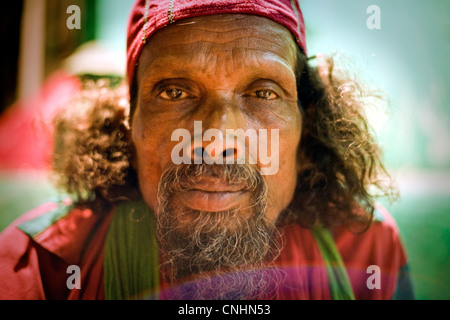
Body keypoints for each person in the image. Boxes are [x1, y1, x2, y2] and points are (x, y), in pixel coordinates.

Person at [0, 0, 414, 300]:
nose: (217, 139)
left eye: (263, 93)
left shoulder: (365, 248)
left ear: (308, 128)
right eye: (174, 91)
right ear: (129, 123)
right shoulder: (40, 267)